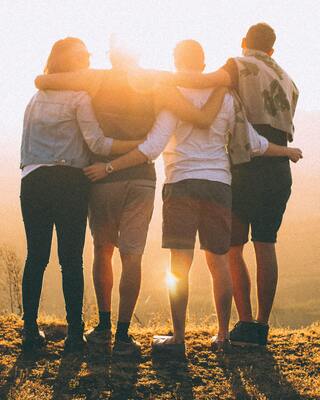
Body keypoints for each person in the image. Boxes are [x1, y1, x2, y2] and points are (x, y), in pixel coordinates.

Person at [83, 39, 302, 353]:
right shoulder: (226, 97)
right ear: (203, 63)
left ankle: (178, 339)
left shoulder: (172, 96)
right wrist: (287, 151)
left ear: (176, 60)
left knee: (179, 266)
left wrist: (110, 167)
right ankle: (224, 336)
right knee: (220, 264)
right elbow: (253, 143)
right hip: (219, 185)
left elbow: (152, 148)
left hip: (181, 184)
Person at [34, 43, 227, 356]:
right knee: (132, 256)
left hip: (102, 177)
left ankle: (103, 327)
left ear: (111, 56)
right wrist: (221, 82)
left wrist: (42, 81)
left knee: (102, 249)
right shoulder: (156, 81)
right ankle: (123, 336)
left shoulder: (95, 79)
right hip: (141, 178)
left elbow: (46, 82)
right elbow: (198, 107)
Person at [158, 23, 300, 346]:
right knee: (266, 245)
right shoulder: (289, 80)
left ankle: (243, 322)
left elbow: (205, 82)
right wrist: (287, 152)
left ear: (244, 42)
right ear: (273, 50)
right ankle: (260, 327)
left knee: (231, 249)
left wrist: (161, 79)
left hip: (245, 166)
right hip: (277, 168)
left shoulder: (238, 65)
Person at [20, 37, 142, 353]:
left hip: (33, 180)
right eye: (84, 56)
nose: (88, 61)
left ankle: (30, 331)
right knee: (70, 259)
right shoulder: (79, 97)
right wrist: (137, 145)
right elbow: (98, 145)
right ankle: (75, 334)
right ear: (74, 63)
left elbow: (26, 147)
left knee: (36, 257)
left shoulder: (35, 98)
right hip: (70, 182)